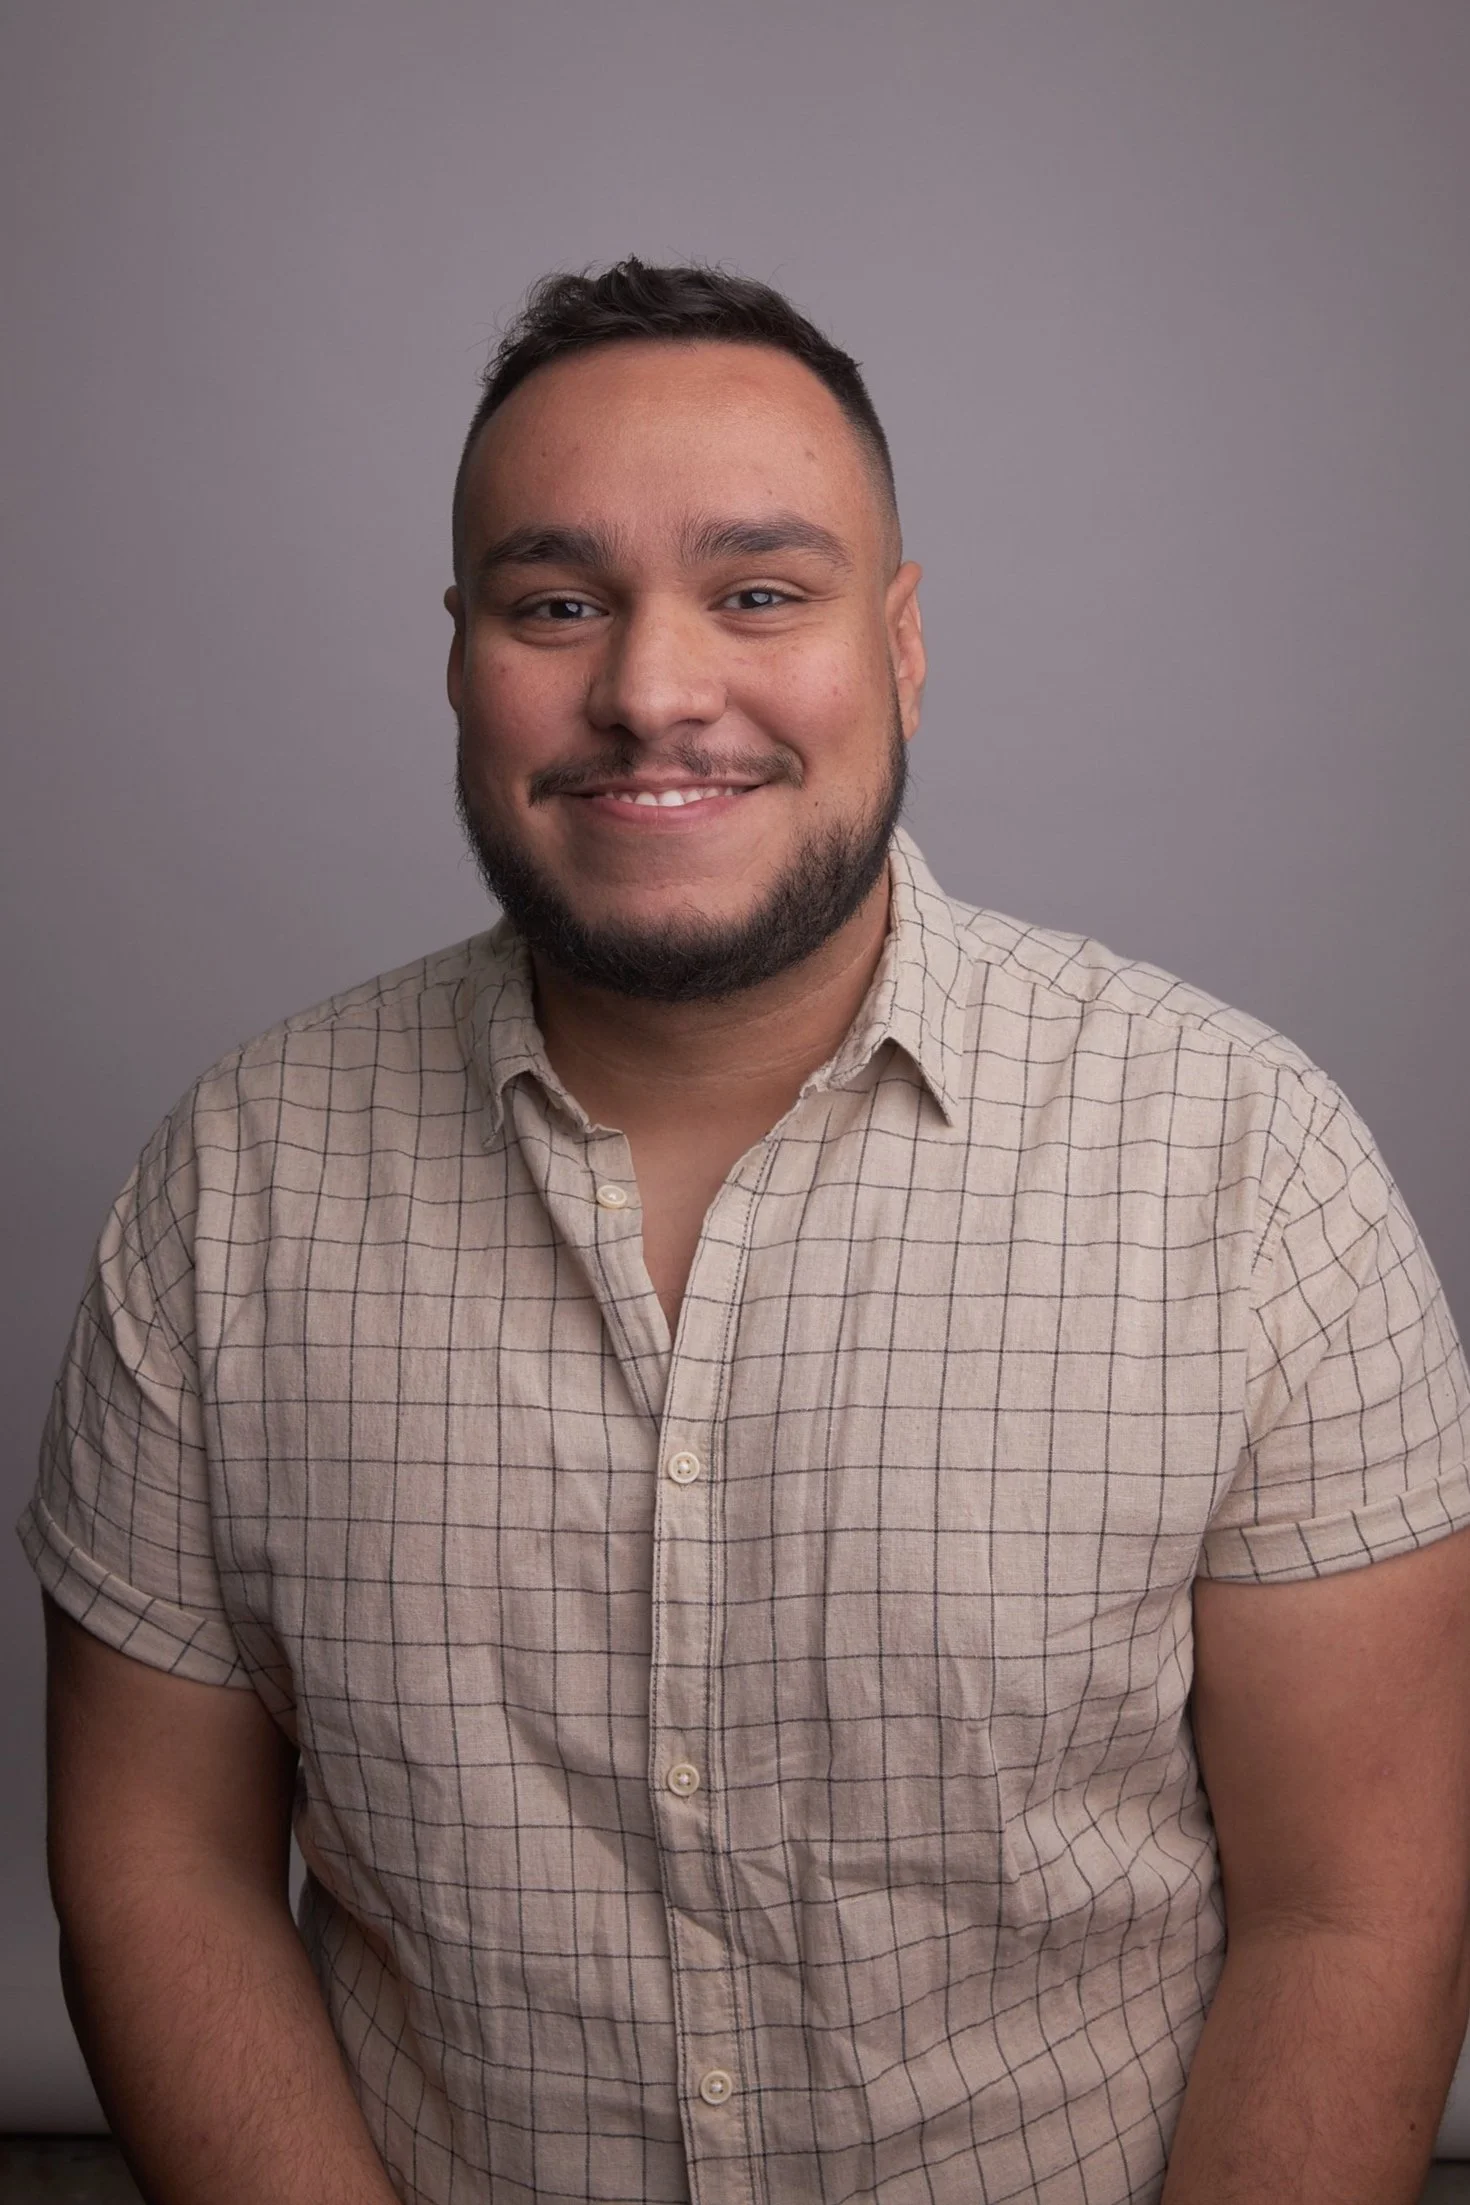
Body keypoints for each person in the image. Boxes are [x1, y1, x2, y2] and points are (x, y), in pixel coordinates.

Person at [23, 258, 1470, 2205]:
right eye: (558, 603)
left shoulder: (1246, 1168)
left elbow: (1359, 1910)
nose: (650, 688)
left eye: (759, 592)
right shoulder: (234, 1187)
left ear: (901, 643)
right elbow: (156, 1861)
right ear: (461, 657)